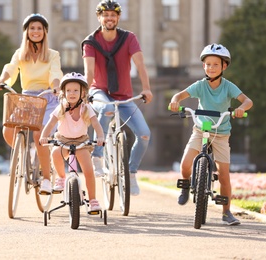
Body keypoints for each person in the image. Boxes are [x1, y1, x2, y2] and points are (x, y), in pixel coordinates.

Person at [168, 43, 253, 225]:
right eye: (208, 64)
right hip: (201, 129)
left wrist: (240, 109)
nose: (211, 68)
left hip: (221, 133)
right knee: (185, 165)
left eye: (216, 64)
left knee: (224, 175)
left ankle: (226, 212)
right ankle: (185, 186)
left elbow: (247, 101)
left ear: (224, 66)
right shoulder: (200, 85)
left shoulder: (228, 87)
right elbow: (179, 96)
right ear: (203, 66)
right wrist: (175, 101)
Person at [81, 0, 152, 196]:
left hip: (125, 96)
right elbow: (88, 72)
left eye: (113, 14)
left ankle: (131, 172)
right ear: (99, 17)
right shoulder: (90, 42)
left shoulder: (129, 38)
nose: (109, 18)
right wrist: (84, 93)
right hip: (100, 92)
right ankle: (97, 155)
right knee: (107, 108)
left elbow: (140, 65)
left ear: (118, 17)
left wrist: (146, 88)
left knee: (145, 135)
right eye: (105, 14)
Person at [0, 13, 63, 195]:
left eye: (39, 28)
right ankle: (23, 156)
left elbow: (56, 73)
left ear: (45, 32)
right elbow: (11, 68)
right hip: (27, 98)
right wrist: (1, 80)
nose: (35, 31)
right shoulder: (20, 54)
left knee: (40, 135)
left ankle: (46, 178)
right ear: (27, 32)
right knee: (8, 130)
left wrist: (56, 87)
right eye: (32, 28)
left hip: (47, 98)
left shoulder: (53, 55)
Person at [39, 72, 104, 212]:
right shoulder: (61, 107)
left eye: (76, 90)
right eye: (68, 90)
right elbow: (50, 124)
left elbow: (96, 124)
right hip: (63, 140)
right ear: (63, 92)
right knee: (56, 154)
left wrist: (100, 136)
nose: (72, 93)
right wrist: (44, 136)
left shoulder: (86, 108)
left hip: (81, 142)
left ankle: (92, 200)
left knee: (88, 170)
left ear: (83, 93)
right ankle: (62, 178)